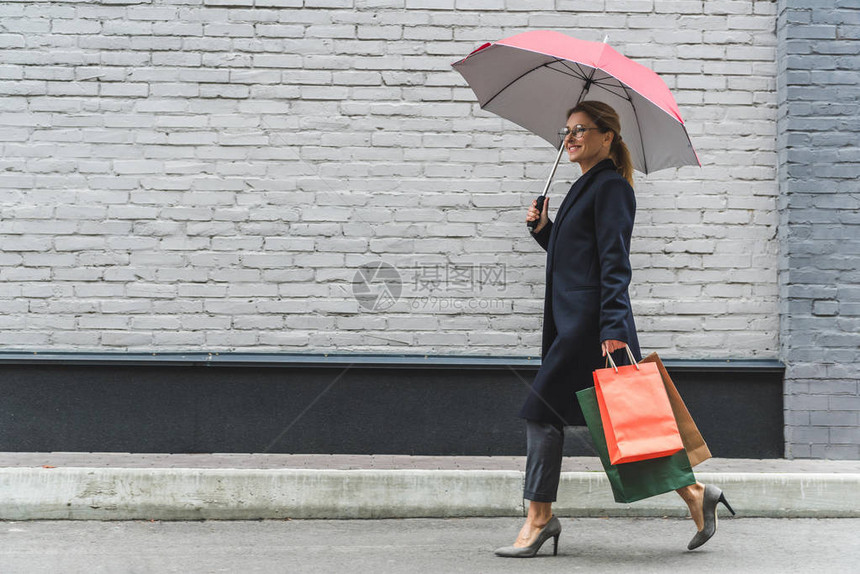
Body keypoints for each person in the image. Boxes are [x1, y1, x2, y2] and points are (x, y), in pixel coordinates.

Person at [494, 101, 733, 558]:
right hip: (577, 322)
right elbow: (576, 258)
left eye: (582, 130)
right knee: (619, 420)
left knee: (543, 413)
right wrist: (545, 230)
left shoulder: (612, 188)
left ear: (607, 137)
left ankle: (539, 519)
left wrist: (614, 327)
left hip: (590, 327)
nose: (571, 137)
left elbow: (614, 264)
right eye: (567, 129)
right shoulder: (587, 185)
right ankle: (696, 493)